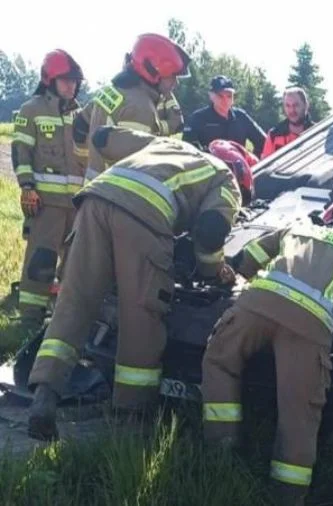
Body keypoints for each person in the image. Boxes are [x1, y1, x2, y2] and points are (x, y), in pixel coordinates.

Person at [26, 127, 251, 442]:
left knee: (74, 302)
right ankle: (129, 418)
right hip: (143, 216)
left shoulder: (168, 144)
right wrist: (215, 272)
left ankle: (44, 398)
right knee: (141, 316)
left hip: (95, 200)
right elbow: (212, 230)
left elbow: (104, 137)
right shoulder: (225, 177)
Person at [200, 199, 333, 505]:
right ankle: (287, 494)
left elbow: (244, 260)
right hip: (309, 324)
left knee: (219, 361)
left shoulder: (297, 228)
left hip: (258, 303)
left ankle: (221, 453)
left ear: (325, 218)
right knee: (298, 412)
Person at [11, 49, 86, 334]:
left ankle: (61, 318)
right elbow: (21, 153)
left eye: (75, 81)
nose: (71, 85)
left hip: (76, 205)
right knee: (40, 260)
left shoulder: (81, 114)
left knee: (73, 263)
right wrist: (27, 187)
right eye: (66, 80)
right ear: (50, 80)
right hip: (45, 202)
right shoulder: (32, 110)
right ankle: (30, 318)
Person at [79, 33, 191, 183]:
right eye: (172, 76)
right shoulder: (141, 107)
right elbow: (136, 168)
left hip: (94, 190)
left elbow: (79, 126)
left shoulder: (110, 92)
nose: (176, 83)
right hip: (116, 197)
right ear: (153, 72)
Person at [182, 75, 267, 157]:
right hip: (211, 169)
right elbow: (187, 149)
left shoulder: (241, 117)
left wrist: (253, 161)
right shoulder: (198, 119)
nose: (225, 100)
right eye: (220, 96)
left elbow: (264, 142)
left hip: (238, 169)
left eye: (229, 96)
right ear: (211, 96)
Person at [261, 86, 314, 158]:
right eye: (288, 106)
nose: (292, 110)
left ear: (306, 105)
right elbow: (265, 165)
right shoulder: (274, 134)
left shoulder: (316, 133)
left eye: (296, 105)